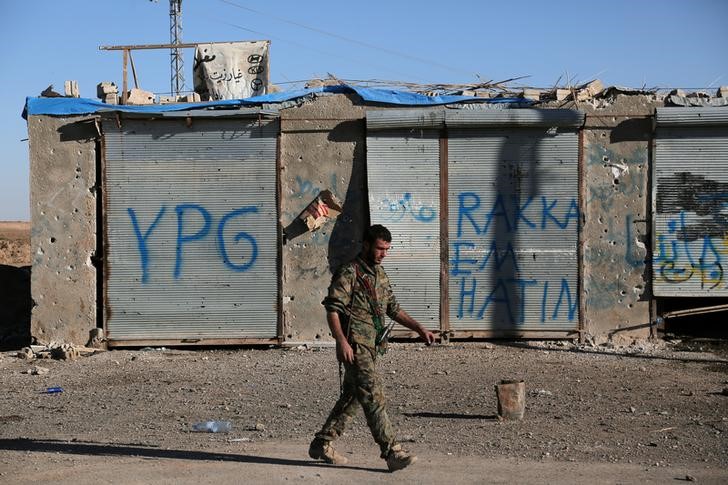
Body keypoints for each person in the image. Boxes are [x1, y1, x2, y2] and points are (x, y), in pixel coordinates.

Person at [308, 224, 436, 472]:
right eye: (379, 248)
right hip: (355, 347)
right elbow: (333, 309)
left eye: (386, 249)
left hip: (372, 346)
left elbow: (393, 308)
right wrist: (341, 342)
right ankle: (391, 452)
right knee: (373, 394)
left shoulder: (380, 274)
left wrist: (419, 329)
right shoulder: (349, 273)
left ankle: (322, 443)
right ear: (366, 245)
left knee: (354, 397)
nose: (383, 254)